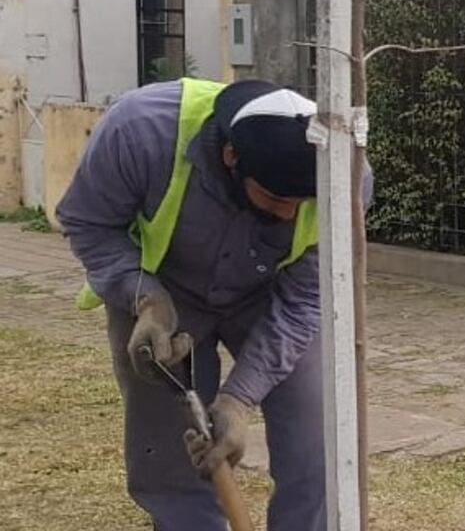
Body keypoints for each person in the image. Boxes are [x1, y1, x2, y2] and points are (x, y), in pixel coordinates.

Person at [56, 77, 373, 531]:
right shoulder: (140, 130)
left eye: (302, 203)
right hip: (166, 292)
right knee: (169, 444)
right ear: (231, 158)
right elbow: (87, 221)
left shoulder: (347, 178)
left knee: (317, 435)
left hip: (273, 296)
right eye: (277, 198)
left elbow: (306, 299)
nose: (289, 214)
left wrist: (239, 401)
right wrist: (143, 298)